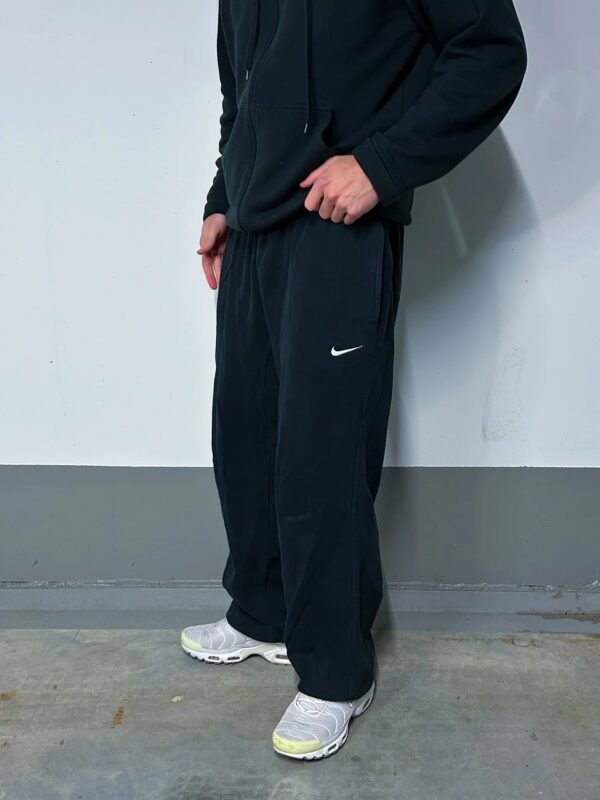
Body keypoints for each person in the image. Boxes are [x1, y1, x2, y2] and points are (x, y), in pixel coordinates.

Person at [182, 0, 527, 761]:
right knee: (244, 436)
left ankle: (337, 672)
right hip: (255, 223)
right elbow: (243, 89)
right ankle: (265, 612)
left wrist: (381, 165)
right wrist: (222, 198)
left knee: (321, 456)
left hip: (336, 227)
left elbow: (491, 50)